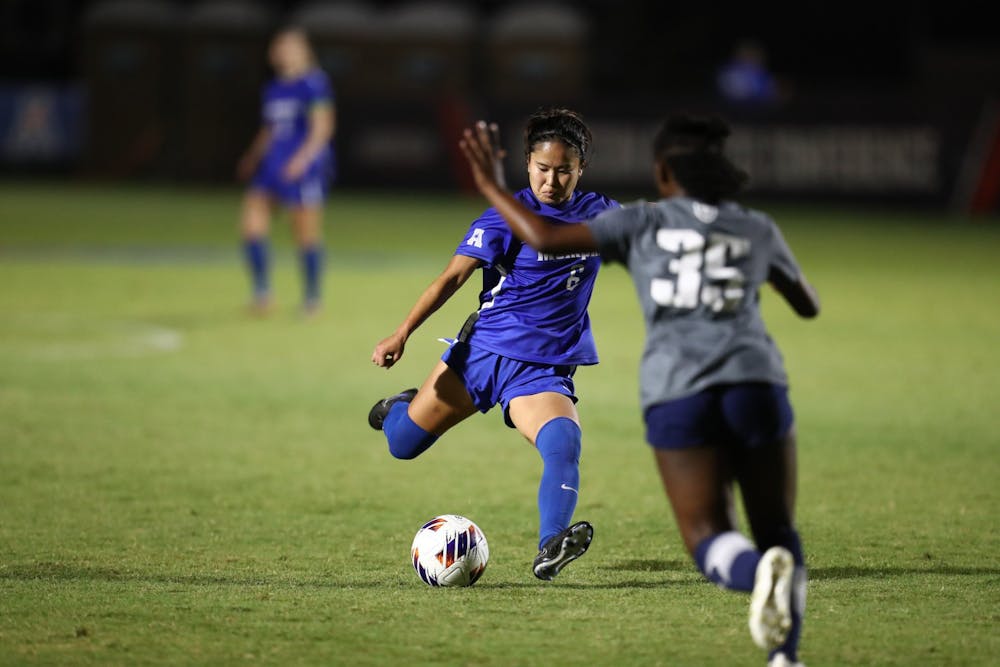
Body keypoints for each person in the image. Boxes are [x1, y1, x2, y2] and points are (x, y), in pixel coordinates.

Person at [459, 115, 819, 667]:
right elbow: (806, 304)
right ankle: (785, 656)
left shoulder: (641, 223)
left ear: (663, 171)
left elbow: (546, 238)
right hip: (757, 385)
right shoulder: (755, 227)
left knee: (705, 534)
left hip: (679, 392)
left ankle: (750, 575)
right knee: (777, 528)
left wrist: (487, 184)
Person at [368, 108, 619, 581]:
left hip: (540, 370)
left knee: (563, 442)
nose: (552, 181)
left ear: (580, 170)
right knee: (402, 444)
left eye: (564, 171)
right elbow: (452, 279)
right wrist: (402, 332)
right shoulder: (504, 217)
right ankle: (396, 408)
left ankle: (550, 545)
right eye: (543, 169)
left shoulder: (602, 215)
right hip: (482, 355)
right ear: (527, 165)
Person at [236, 27, 335, 315]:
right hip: (271, 165)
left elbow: (323, 126)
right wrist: (253, 156)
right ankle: (262, 293)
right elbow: (270, 129)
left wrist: (303, 159)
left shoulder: (314, 83)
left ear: (304, 50)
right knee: (251, 227)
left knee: (305, 234)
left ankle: (312, 298)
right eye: (278, 47)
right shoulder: (273, 88)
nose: (282, 52)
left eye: (289, 47)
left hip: (302, 167)